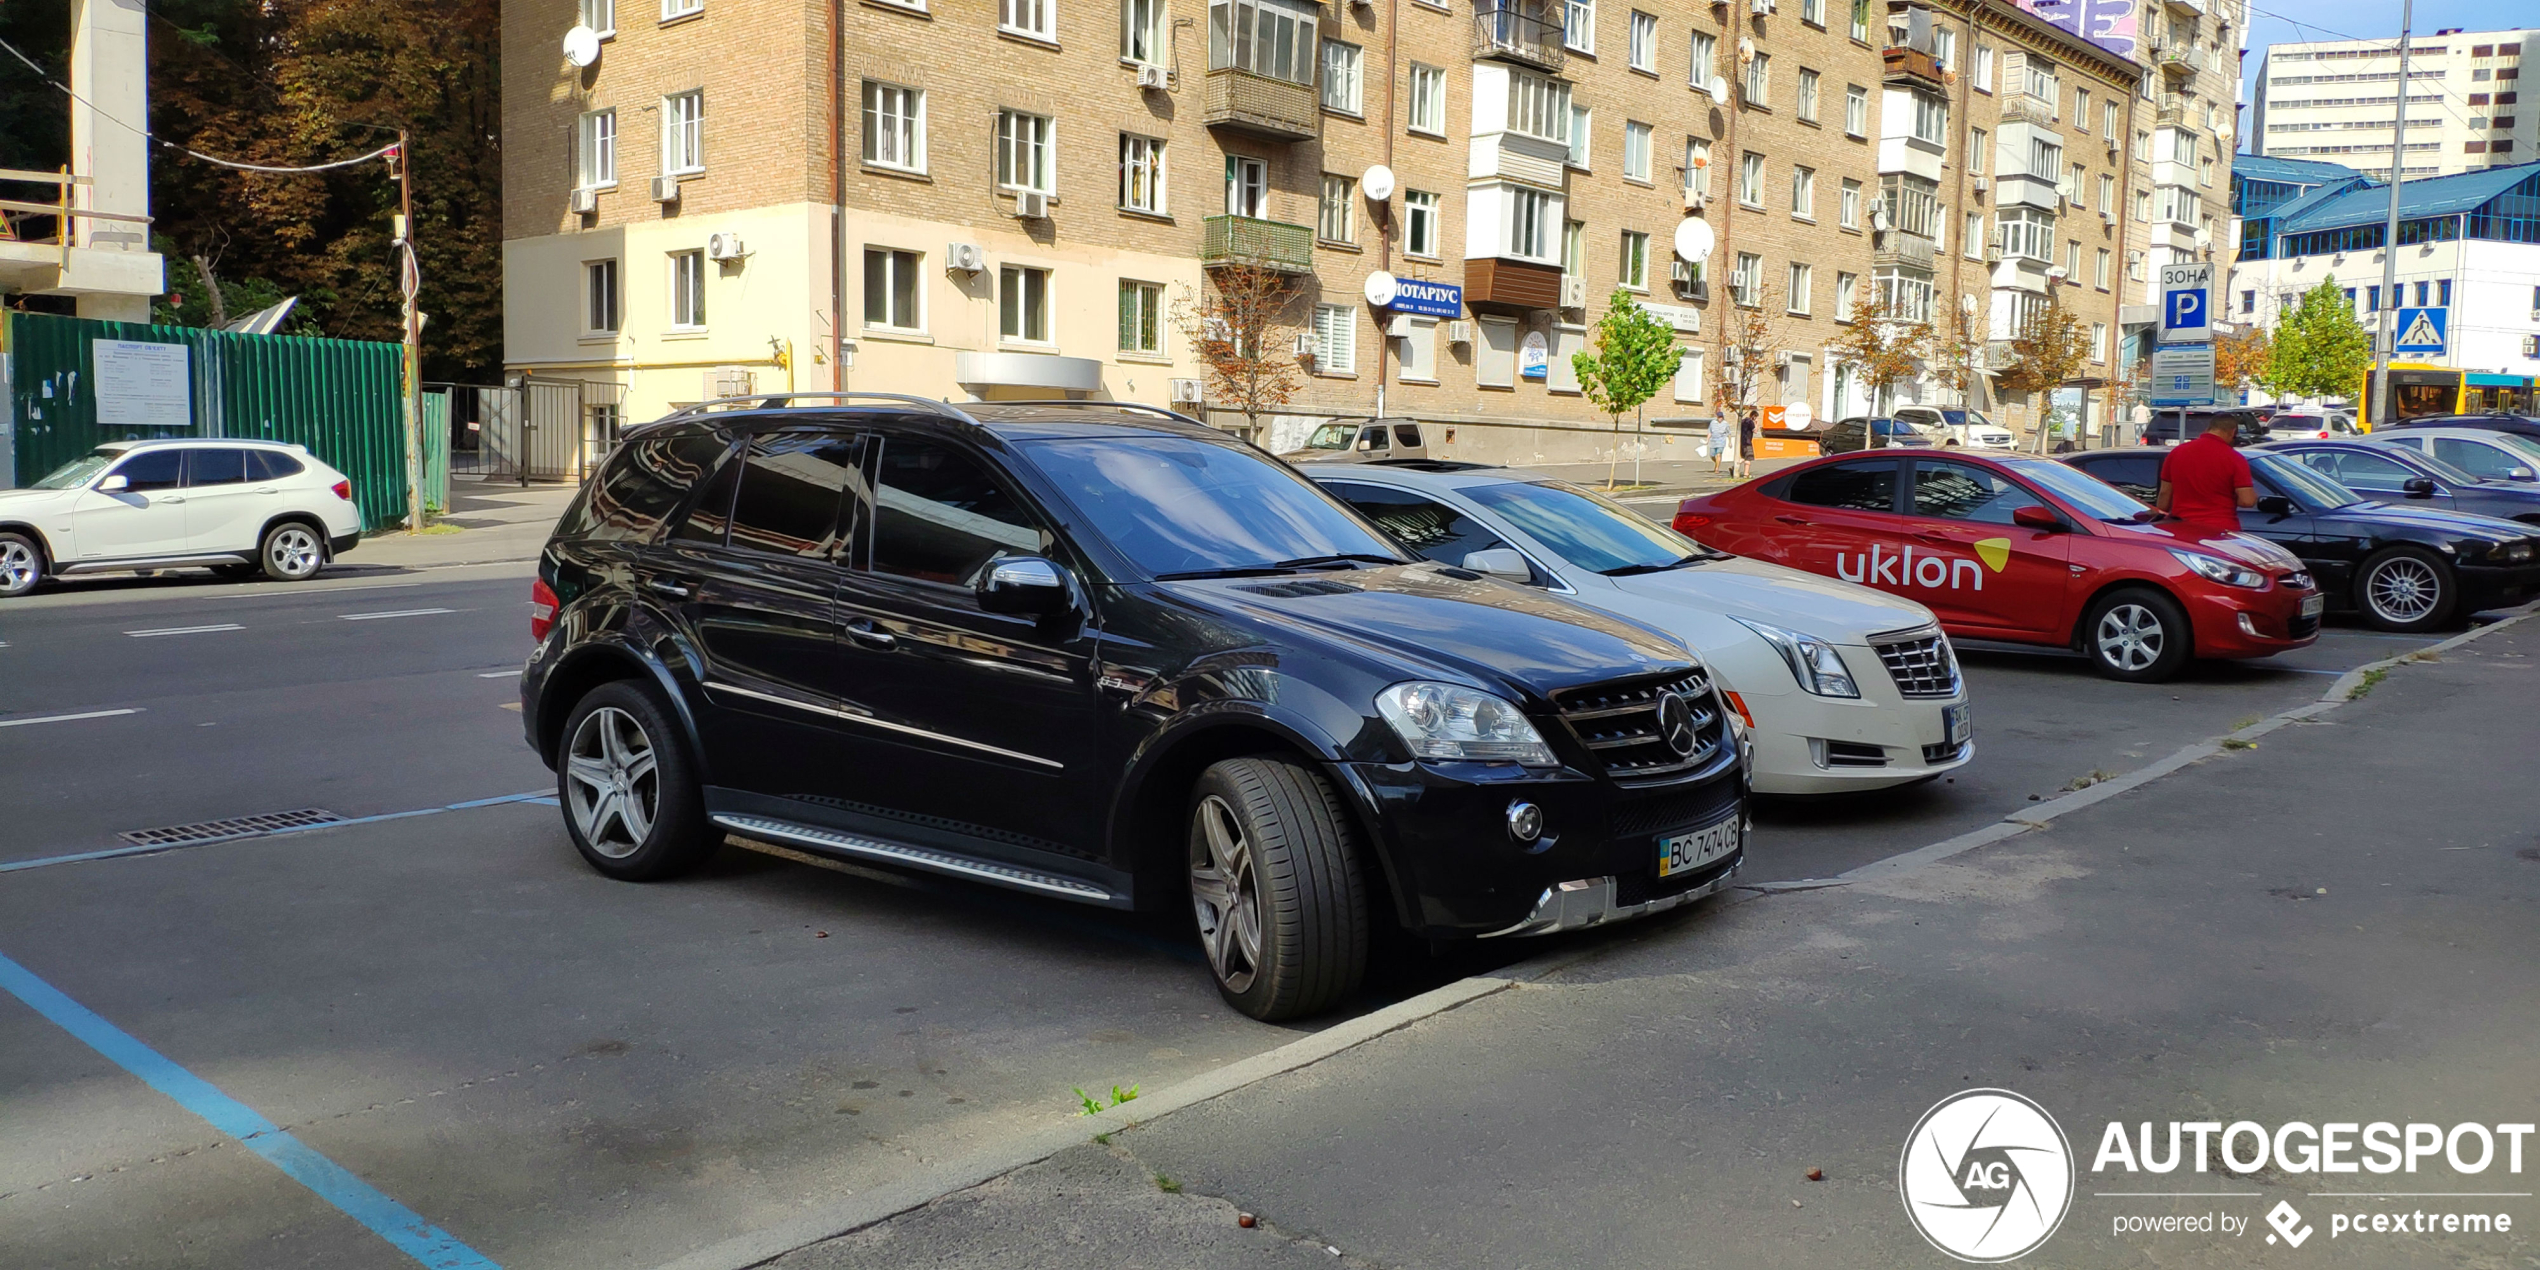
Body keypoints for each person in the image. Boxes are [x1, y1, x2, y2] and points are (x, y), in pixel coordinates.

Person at [2154, 413, 2255, 536]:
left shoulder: (2176, 453)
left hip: (2183, 528)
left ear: (2208, 429)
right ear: (2233, 432)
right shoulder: (2234, 458)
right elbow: (2247, 501)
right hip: (2222, 530)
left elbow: (2164, 496)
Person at [1733, 407, 1758, 479]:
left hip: (1742, 442)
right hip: (1747, 442)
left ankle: (1736, 466)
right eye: (1756, 417)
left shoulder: (1743, 421)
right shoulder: (1750, 422)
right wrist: (1756, 423)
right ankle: (1746, 474)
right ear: (1754, 416)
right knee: (1748, 458)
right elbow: (1755, 431)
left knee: (1744, 457)